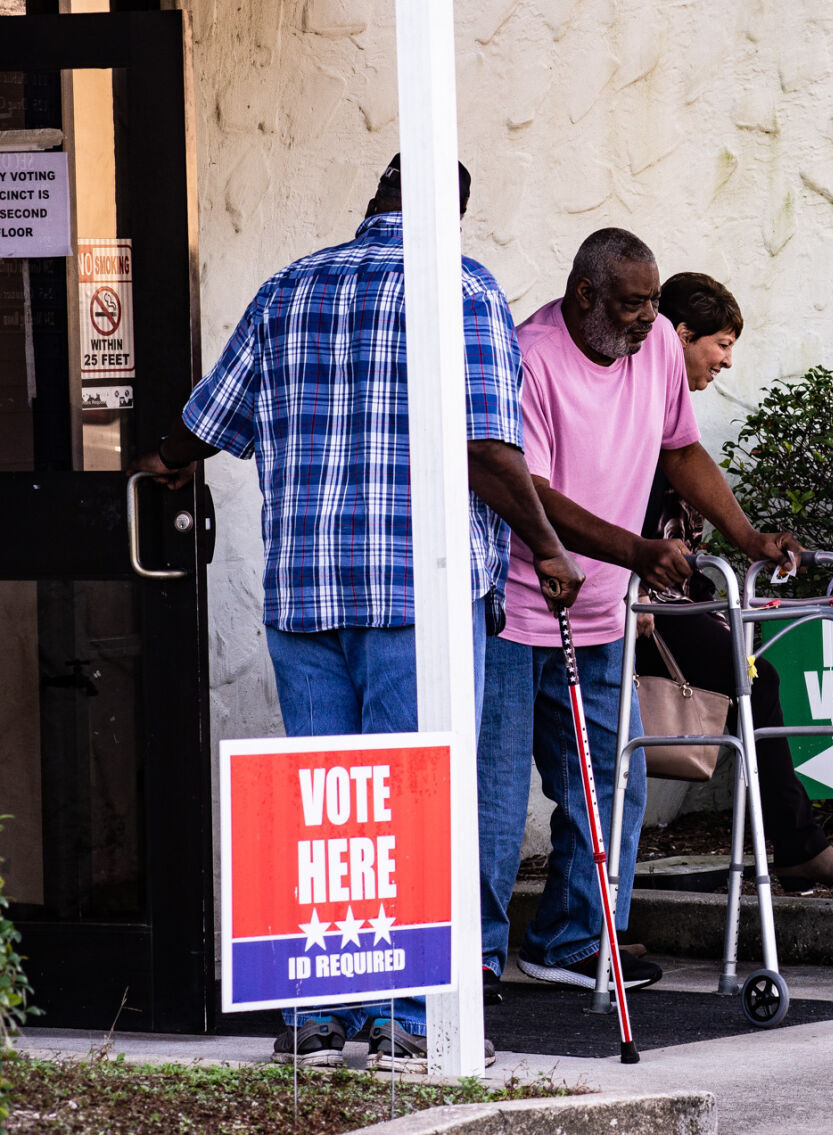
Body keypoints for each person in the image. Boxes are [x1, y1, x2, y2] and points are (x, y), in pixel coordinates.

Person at [130, 155, 583, 1070]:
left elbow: (204, 423)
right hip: (415, 588)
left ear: (372, 197)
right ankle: (408, 1012)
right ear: (451, 214)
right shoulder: (464, 288)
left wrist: (161, 464)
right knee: (410, 795)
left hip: (305, 590)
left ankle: (317, 1011)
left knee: (326, 800)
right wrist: (547, 543)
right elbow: (490, 450)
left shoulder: (287, 288)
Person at [477, 233, 803, 997]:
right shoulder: (533, 355)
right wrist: (633, 549)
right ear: (585, 295)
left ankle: (571, 940)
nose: (650, 318)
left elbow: (681, 450)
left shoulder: (655, 345)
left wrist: (748, 534)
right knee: (494, 800)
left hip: (602, 614)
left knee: (610, 784)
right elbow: (536, 494)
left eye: (655, 301)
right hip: (520, 609)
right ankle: (478, 958)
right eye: (633, 302)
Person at [634, 272, 833, 886]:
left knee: (752, 680)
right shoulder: (637, 393)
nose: (726, 361)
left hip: (673, 596)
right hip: (641, 602)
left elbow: (686, 460)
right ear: (681, 335)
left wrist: (750, 540)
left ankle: (793, 845)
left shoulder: (665, 403)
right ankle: (797, 847)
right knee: (753, 680)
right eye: (720, 343)